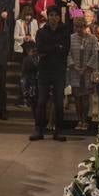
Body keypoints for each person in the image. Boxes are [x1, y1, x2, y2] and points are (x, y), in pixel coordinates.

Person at [29, 7, 70, 142]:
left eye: (56, 15)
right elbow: (40, 49)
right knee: (41, 101)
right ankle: (38, 129)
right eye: (51, 15)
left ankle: (58, 131)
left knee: (58, 102)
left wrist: (50, 49)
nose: (53, 18)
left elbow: (65, 50)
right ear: (48, 16)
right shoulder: (41, 32)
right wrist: (56, 47)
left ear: (59, 17)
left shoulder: (65, 32)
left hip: (59, 70)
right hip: (45, 70)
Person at [67, 16, 98, 131]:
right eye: (76, 27)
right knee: (77, 98)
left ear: (85, 27)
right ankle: (79, 119)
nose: (78, 29)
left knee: (85, 98)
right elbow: (68, 53)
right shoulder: (70, 38)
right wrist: (73, 66)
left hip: (87, 72)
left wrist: (86, 67)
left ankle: (85, 120)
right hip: (74, 71)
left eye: (81, 27)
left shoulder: (93, 38)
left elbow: (95, 54)